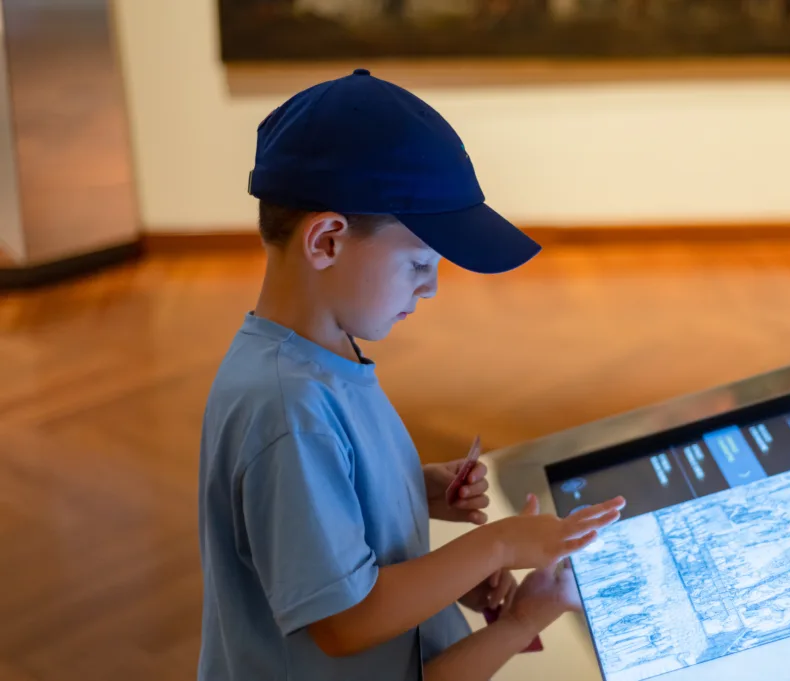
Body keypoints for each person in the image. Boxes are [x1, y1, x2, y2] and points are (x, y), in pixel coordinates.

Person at [196, 67, 626, 681]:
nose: (430, 287)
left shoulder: (319, 355)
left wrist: (407, 489)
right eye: (420, 261)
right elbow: (346, 624)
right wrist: (497, 547)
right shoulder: (286, 406)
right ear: (325, 241)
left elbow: (323, 505)